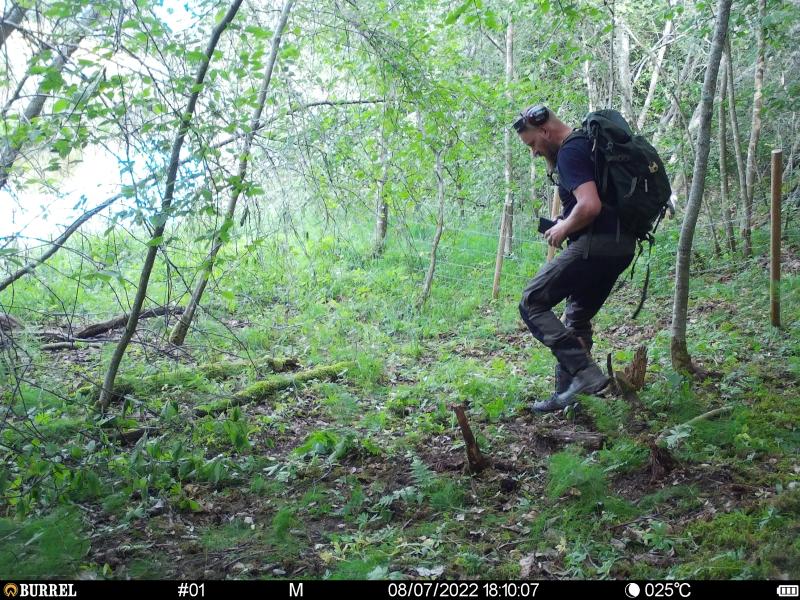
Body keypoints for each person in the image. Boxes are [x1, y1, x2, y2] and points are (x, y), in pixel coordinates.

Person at [512, 104, 636, 413]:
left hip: (597, 246)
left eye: (532, 144)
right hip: (621, 247)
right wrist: (566, 219)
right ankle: (570, 398)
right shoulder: (589, 146)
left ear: (544, 130)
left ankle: (586, 375)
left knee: (532, 301)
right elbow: (596, 201)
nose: (534, 152)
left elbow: (590, 206)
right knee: (577, 317)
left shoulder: (570, 151)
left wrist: (564, 227)